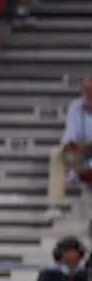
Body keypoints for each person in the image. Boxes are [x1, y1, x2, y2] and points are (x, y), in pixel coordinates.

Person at [48, 76, 92, 218]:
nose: (87, 95)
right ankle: (55, 205)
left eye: (91, 91)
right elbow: (69, 136)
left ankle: (78, 175)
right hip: (81, 155)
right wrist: (70, 145)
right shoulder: (75, 107)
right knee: (56, 153)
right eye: (85, 91)